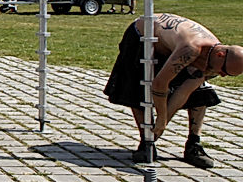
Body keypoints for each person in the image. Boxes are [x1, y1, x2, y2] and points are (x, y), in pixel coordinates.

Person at [104, 13, 243, 168]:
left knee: (201, 92)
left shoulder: (214, 58)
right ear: (220, 54)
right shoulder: (191, 48)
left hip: (171, 46)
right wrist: (161, 119)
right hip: (142, 34)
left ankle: (193, 143)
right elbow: (159, 84)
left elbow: (185, 91)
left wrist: (162, 123)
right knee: (137, 87)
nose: (222, 75)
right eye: (224, 71)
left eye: (227, 75)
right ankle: (146, 141)